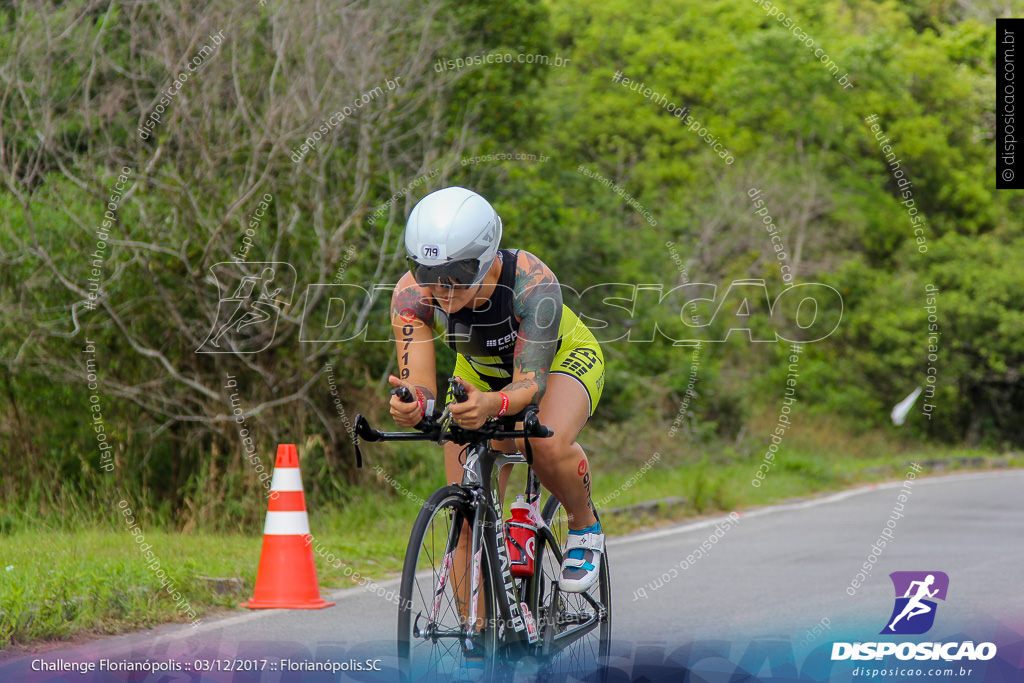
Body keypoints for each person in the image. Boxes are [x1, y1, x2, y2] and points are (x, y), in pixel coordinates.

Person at [387, 186, 606, 594]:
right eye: (428, 274)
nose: (443, 289)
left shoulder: (531, 282)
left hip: (559, 361)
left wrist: (493, 405)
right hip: (480, 378)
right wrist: (414, 405)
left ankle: (583, 524)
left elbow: (529, 386)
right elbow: (420, 385)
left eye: (459, 275)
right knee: (466, 524)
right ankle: (478, 649)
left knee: (541, 441)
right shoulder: (411, 296)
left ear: (486, 259)